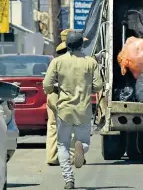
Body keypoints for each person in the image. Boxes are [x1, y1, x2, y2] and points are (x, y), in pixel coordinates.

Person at [43, 31, 103, 189]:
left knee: (62, 144)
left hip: (64, 110)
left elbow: (47, 85)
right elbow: (98, 86)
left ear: (66, 45)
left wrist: (56, 88)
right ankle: (81, 149)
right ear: (81, 45)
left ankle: (69, 179)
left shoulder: (57, 62)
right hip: (84, 110)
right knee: (84, 141)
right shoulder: (91, 62)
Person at [46, 29, 76, 166]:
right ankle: (72, 157)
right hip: (69, 95)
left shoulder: (56, 60)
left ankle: (52, 157)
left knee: (53, 125)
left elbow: (47, 83)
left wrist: (49, 91)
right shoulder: (77, 61)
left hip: (53, 94)